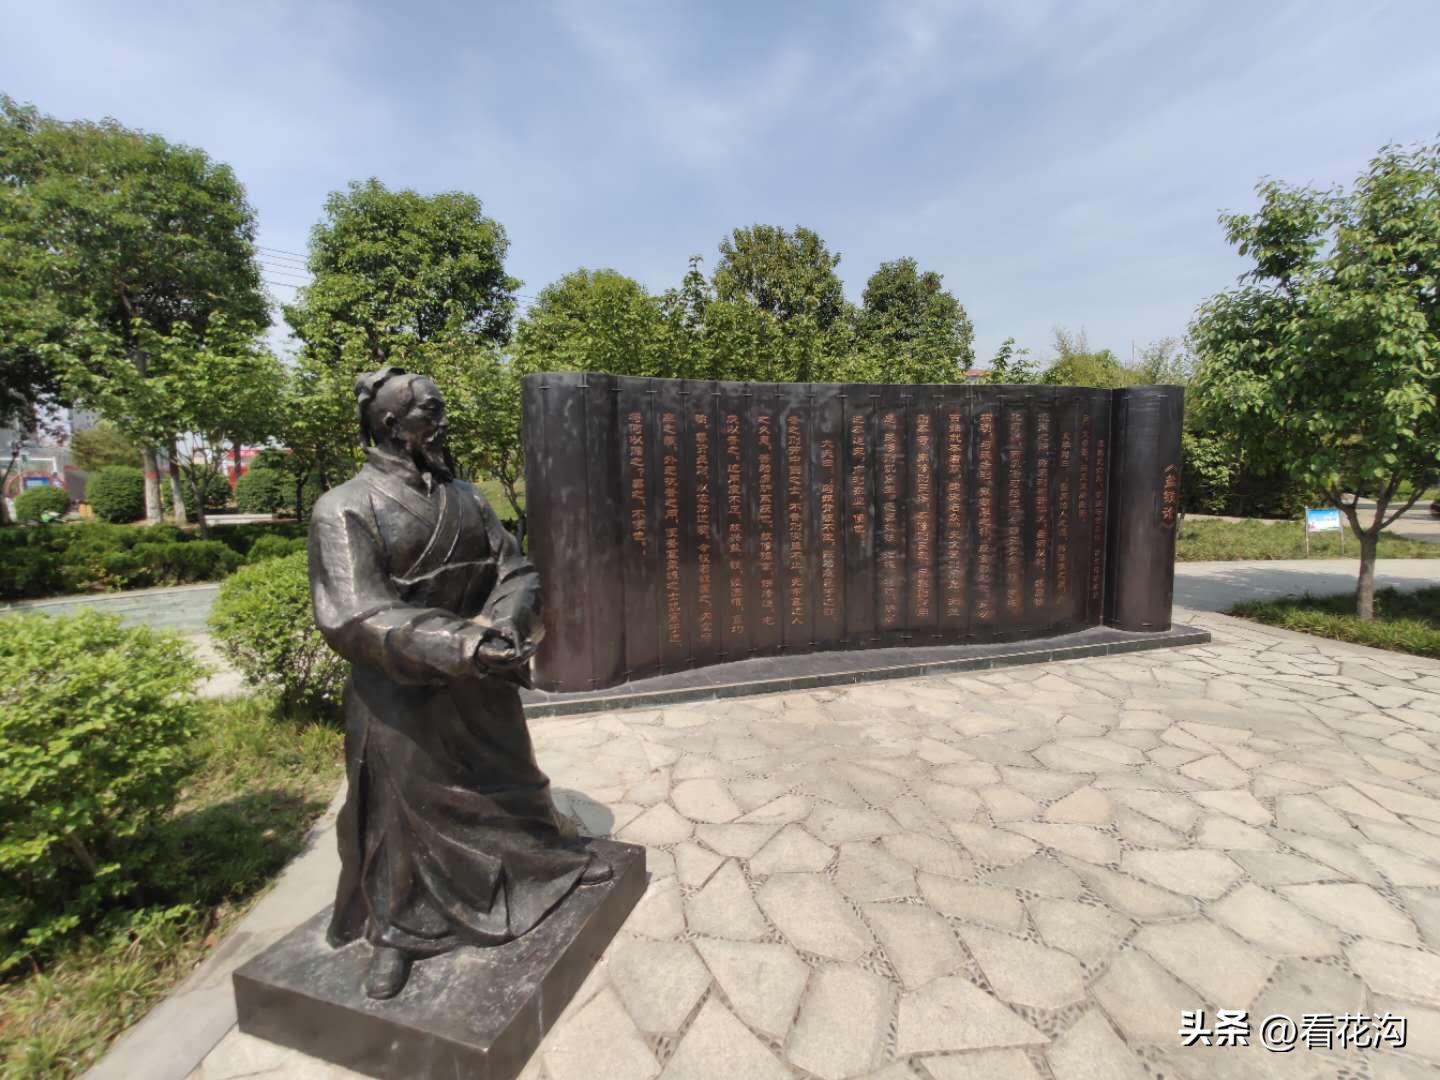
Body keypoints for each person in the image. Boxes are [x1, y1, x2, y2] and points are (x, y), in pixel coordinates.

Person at [307, 366, 610, 1000]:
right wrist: (460, 644)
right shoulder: (343, 507)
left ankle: (543, 868)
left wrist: (505, 624)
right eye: (432, 411)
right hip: (401, 693)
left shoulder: (467, 497)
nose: (443, 421)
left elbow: (514, 571)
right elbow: (355, 614)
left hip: (482, 680)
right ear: (393, 424)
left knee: (513, 786)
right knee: (402, 821)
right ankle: (399, 932)